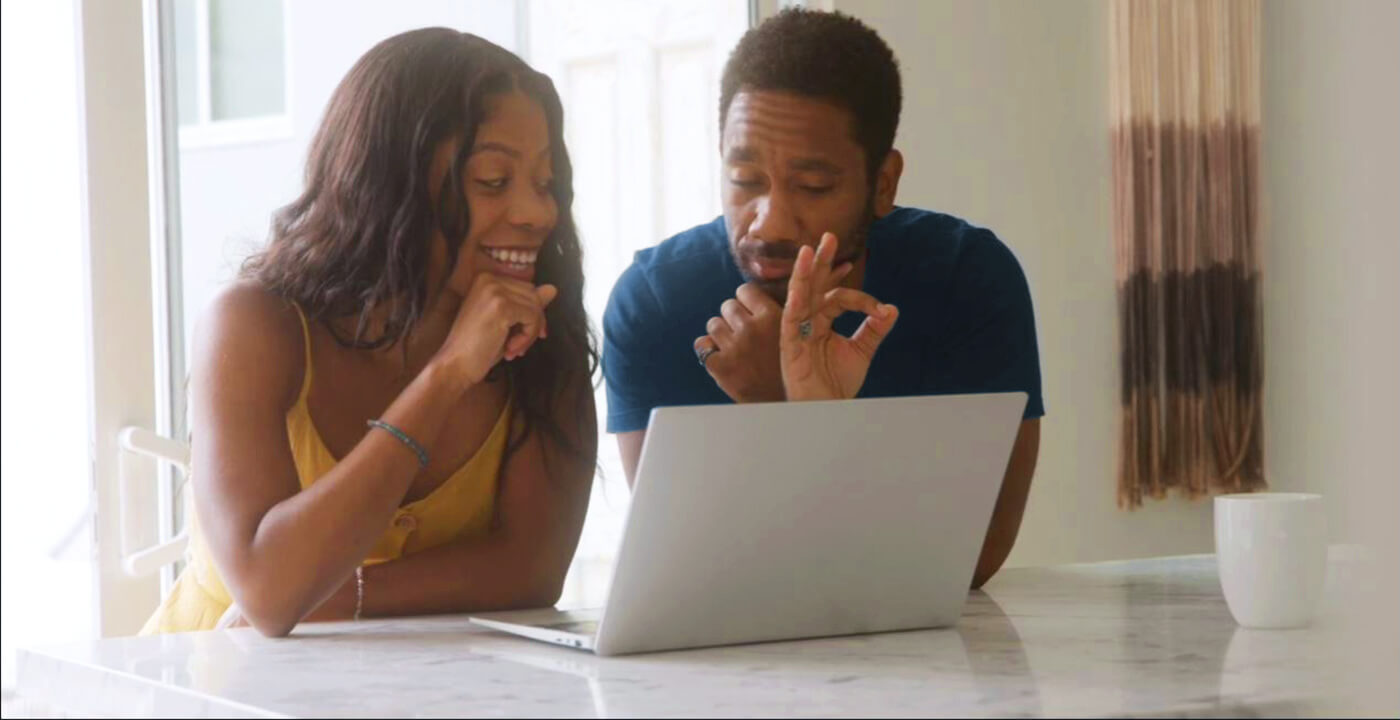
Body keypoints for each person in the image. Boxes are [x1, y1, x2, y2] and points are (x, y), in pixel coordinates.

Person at [142, 28, 596, 636]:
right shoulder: (255, 326)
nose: (538, 213)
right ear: (394, 185)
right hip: (208, 686)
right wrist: (448, 374)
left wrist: (339, 598)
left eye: (545, 183)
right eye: (493, 180)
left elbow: (531, 570)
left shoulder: (540, 341)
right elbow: (269, 588)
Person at [602, 9, 1043, 588]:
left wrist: (783, 406)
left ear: (883, 183)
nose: (770, 220)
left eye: (813, 186)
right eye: (745, 180)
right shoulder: (655, 304)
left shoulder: (968, 280)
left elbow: (972, 559)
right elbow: (692, 573)